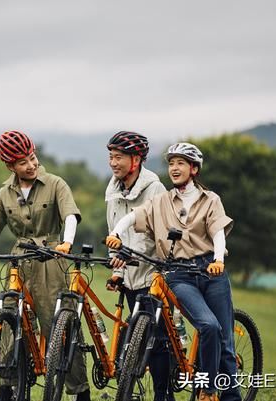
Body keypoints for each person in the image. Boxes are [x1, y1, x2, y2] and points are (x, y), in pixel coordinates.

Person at [0, 130, 91, 401]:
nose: (30, 165)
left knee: (56, 322)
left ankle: (78, 390)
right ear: (10, 166)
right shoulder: (6, 192)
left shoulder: (55, 184)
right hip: (19, 258)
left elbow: (70, 215)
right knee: (8, 320)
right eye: (22, 162)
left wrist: (66, 242)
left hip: (50, 258)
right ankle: (8, 385)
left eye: (32, 158)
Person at [106, 142, 238, 401]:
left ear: (194, 169)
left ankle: (230, 396)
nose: (174, 168)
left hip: (211, 271)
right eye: (171, 163)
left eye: (181, 163)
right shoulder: (161, 201)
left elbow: (218, 232)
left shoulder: (211, 200)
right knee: (208, 326)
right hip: (179, 275)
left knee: (225, 344)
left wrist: (219, 258)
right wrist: (115, 233)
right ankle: (208, 390)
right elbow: (133, 217)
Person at [103, 131, 174, 401]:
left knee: (157, 341)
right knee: (131, 338)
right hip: (130, 274)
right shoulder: (112, 189)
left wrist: (129, 253)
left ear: (135, 160)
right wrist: (118, 270)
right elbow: (114, 231)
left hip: (153, 273)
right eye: (110, 157)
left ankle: (163, 395)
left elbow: (157, 234)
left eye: (118, 157)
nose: (113, 162)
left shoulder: (155, 189)